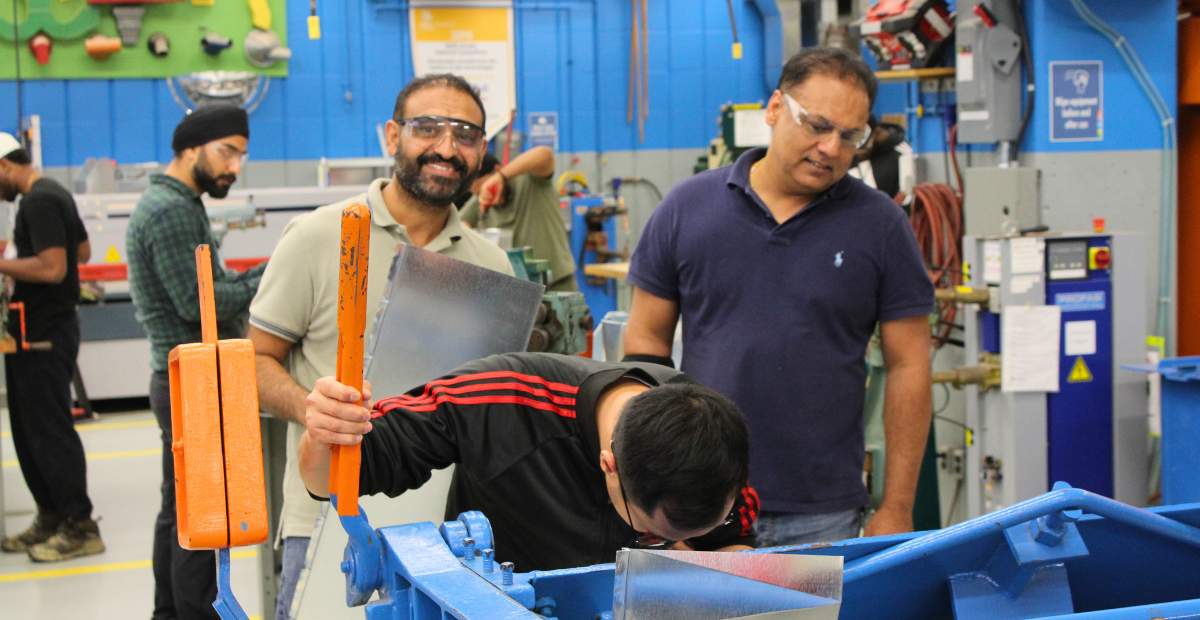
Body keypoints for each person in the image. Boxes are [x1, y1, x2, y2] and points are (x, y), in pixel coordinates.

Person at [623, 47, 934, 547]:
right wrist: (653, 494)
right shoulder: (687, 208)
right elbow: (644, 345)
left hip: (822, 512)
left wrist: (896, 506)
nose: (832, 148)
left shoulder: (882, 227)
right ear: (774, 109)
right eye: (816, 125)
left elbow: (910, 366)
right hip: (700, 506)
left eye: (850, 136)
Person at [247, 74, 515, 620]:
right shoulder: (319, 237)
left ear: (482, 151)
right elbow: (253, 361)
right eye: (427, 128)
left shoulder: (492, 266)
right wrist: (316, 413)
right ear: (392, 136)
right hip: (329, 512)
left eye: (465, 134)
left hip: (450, 527)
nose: (446, 147)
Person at [299, 352, 759, 571]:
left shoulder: (710, 445)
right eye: (654, 536)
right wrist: (325, 431)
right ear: (609, 466)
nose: (666, 543)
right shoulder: (501, 400)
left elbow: (737, 541)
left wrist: (716, 568)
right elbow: (331, 480)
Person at [126, 104, 266, 620]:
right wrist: (266, 280)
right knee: (203, 510)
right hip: (192, 381)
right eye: (226, 151)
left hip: (181, 377)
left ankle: (170, 612)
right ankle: (193, 612)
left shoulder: (179, 203)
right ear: (190, 148)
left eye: (241, 155)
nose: (234, 166)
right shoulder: (171, 211)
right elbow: (197, 301)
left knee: (179, 506)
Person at [0, 133, 105, 562]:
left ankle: (80, 525)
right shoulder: (55, 192)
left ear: (5, 166)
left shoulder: (38, 201)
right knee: (29, 432)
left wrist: (4, 264)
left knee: (47, 431)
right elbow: (82, 249)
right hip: (39, 331)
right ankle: (51, 514)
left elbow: (54, 266)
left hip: (43, 332)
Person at [458, 146, 578, 292]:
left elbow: (544, 154)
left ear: (496, 170)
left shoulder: (532, 182)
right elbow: (458, 228)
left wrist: (501, 177)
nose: (485, 195)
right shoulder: (481, 201)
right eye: (477, 192)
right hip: (517, 291)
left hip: (557, 283)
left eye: (486, 187)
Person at [848, 115, 915, 203]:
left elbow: (908, 198)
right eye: (855, 148)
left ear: (878, 133)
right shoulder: (847, 158)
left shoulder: (900, 153)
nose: (859, 153)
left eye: (866, 147)